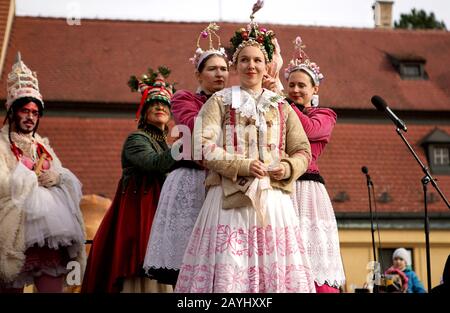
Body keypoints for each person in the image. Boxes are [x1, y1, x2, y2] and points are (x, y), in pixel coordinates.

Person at [175, 3, 315, 293]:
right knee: (232, 276)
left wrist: (287, 167)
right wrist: (241, 164)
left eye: (257, 61)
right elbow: (201, 146)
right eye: (244, 60)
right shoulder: (220, 101)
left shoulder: (282, 106)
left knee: (273, 277)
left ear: (266, 67)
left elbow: (303, 150)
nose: (251, 66)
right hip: (229, 199)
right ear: (236, 66)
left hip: (274, 200)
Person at [143, 23, 229, 288]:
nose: (219, 74)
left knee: (219, 259)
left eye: (224, 69)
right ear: (199, 74)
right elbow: (197, 129)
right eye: (212, 69)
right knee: (184, 259)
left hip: (220, 182)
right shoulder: (184, 99)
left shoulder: (235, 101)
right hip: (190, 181)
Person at [81, 67, 177, 293]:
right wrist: (184, 146)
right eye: (153, 104)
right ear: (144, 112)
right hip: (139, 218)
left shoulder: (167, 146)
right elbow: (155, 163)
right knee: (140, 276)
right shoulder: (137, 139)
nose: (159, 107)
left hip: (159, 218)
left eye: (164, 104)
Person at [0, 53, 86, 293]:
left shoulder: (43, 145)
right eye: (25, 111)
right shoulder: (2, 144)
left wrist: (58, 178)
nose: (30, 117)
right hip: (14, 232)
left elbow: (62, 174)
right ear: (13, 112)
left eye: (35, 113)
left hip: (50, 235)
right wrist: (26, 175)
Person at [282, 36, 346, 293]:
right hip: (283, 185)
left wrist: (282, 102)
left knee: (310, 248)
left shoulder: (324, 115)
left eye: (301, 86)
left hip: (308, 188)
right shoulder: (280, 109)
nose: (295, 90)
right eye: (291, 85)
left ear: (314, 89)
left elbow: (307, 129)